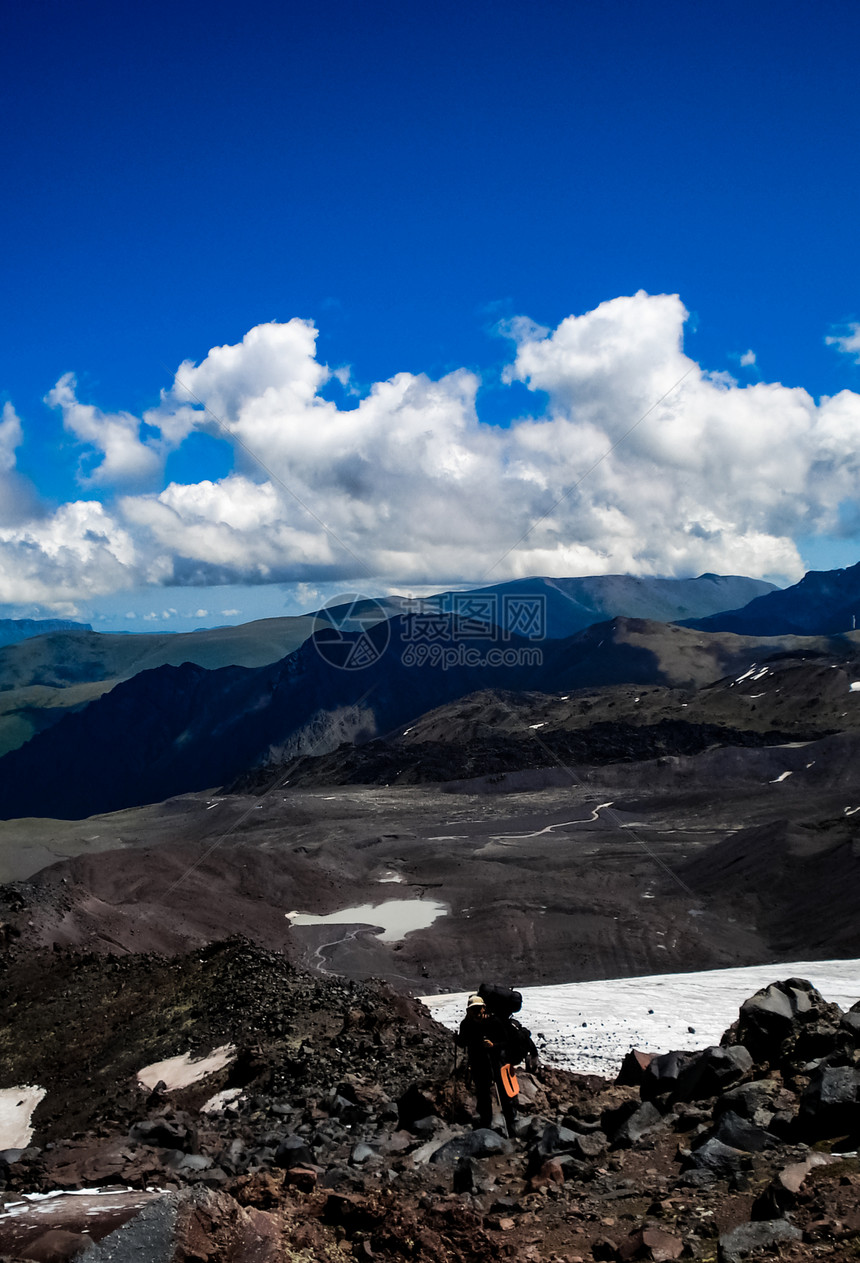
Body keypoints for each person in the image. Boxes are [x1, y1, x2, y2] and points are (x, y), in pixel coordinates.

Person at [455, 993, 519, 1133]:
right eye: (474, 1008)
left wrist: (493, 1045)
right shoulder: (466, 1024)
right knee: (483, 1094)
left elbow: (506, 1042)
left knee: (503, 1092)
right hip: (479, 1063)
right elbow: (463, 1042)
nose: (477, 1011)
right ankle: (486, 1123)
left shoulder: (493, 1021)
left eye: (479, 1008)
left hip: (496, 1061)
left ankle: (511, 1122)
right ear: (468, 1010)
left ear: (484, 1008)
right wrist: (457, 1039)